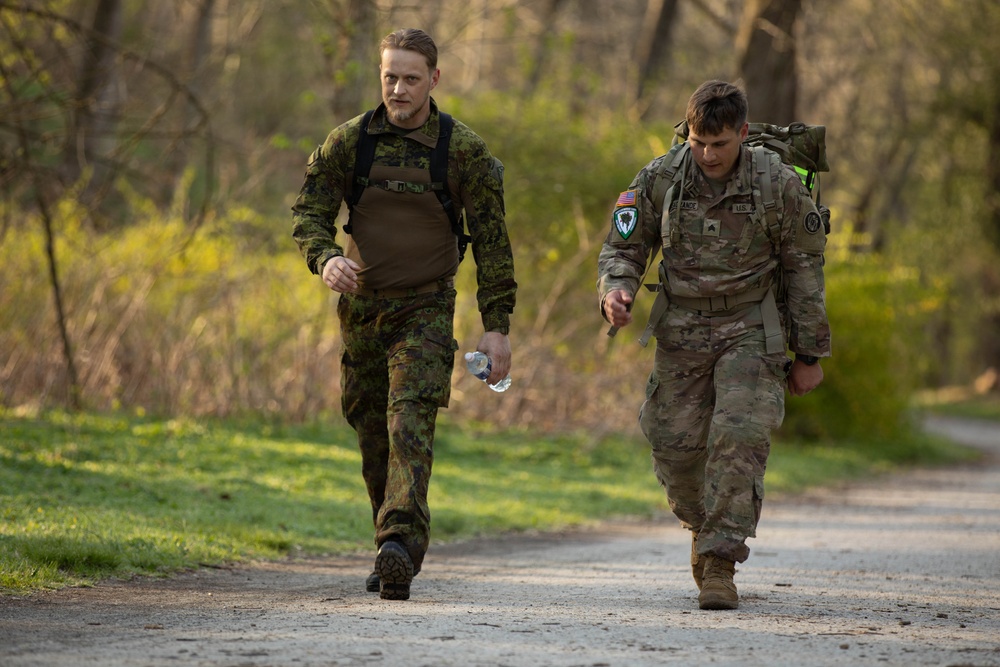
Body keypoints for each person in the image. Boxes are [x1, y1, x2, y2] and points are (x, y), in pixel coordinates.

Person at [291, 28, 516, 601]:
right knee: (371, 431)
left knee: (407, 422)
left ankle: (399, 544)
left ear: (434, 80)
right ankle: (388, 545)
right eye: (390, 76)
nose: (398, 88)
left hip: (426, 308)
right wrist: (325, 258)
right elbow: (309, 213)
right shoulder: (350, 143)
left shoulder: (462, 151)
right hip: (362, 311)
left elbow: (493, 245)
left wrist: (496, 327)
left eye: (411, 78)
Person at [596, 80, 830, 610]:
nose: (708, 154)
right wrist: (617, 288)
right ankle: (705, 530)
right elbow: (624, 246)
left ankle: (722, 561)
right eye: (699, 142)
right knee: (672, 445)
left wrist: (810, 354)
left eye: (719, 144)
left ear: (743, 134)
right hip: (681, 329)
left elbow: (804, 271)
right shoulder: (660, 176)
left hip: (752, 328)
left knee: (740, 431)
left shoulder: (777, 184)